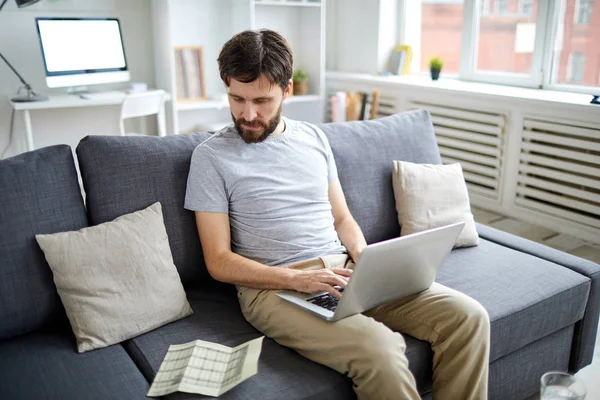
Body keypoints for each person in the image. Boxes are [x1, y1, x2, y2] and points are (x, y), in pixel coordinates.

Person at [184, 29, 490, 400]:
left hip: (344, 270)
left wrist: (364, 258)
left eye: (261, 101)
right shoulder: (211, 157)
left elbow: (342, 219)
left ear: (287, 90)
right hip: (275, 288)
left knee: (469, 317)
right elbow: (218, 261)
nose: (248, 114)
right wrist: (296, 281)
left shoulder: (314, 139)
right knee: (381, 351)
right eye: (237, 99)